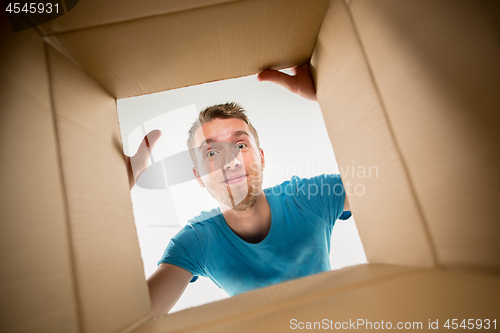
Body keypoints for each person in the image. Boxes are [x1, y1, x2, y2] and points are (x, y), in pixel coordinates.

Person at [125, 63, 350, 315]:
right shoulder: (196, 243)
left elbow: (393, 179)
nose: (230, 161)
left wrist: (333, 94)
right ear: (198, 177)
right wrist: (112, 193)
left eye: (240, 146)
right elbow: (137, 319)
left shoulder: (308, 198)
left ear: (262, 158)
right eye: (211, 152)